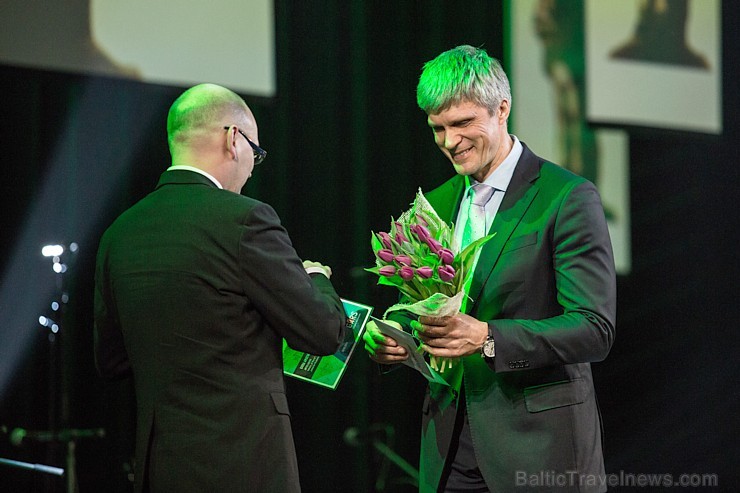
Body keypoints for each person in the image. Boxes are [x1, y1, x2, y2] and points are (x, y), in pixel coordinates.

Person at [364, 46, 616, 492]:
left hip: (539, 449)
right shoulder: (437, 202)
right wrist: (399, 340)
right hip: (449, 448)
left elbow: (594, 328)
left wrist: (487, 337)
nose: (448, 141)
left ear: (502, 108)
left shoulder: (566, 197)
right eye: (437, 128)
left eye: (462, 123)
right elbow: (426, 312)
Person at [94, 83, 347, 493]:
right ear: (233, 139)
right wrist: (315, 277)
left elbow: (111, 362)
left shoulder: (118, 234)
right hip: (246, 465)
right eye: (256, 153)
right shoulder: (245, 220)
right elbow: (323, 333)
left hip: (161, 468)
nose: (251, 167)